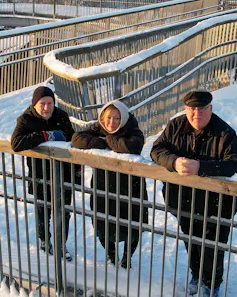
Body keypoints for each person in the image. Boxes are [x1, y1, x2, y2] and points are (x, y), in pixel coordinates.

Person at [151, 90, 237, 297]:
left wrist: (202, 167)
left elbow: (234, 164)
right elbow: (156, 150)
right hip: (182, 200)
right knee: (190, 239)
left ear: (210, 109)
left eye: (202, 109)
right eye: (192, 109)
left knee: (213, 244)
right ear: (186, 109)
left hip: (217, 204)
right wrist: (173, 162)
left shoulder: (225, 133)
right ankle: (196, 275)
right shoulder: (175, 126)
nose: (196, 114)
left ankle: (213, 283)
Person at [71, 100, 148, 268]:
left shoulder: (132, 130)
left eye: (116, 118)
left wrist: (105, 140)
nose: (111, 122)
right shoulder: (96, 129)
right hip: (103, 186)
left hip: (130, 188)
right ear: (102, 118)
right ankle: (112, 257)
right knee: (103, 224)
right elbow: (77, 139)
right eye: (108, 118)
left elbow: (132, 146)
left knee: (132, 227)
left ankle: (126, 260)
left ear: (124, 118)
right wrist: (105, 142)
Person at [10, 86, 76, 261]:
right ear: (35, 104)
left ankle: (61, 244)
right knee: (42, 210)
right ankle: (44, 241)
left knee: (63, 212)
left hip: (63, 174)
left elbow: (72, 139)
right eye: (42, 104)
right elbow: (16, 143)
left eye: (50, 103)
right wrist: (44, 136)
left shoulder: (61, 116)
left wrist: (76, 170)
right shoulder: (26, 119)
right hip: (39, 175)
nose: (46, 108)